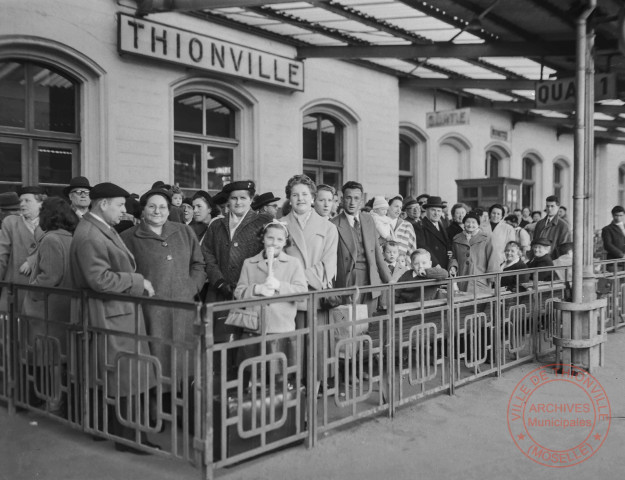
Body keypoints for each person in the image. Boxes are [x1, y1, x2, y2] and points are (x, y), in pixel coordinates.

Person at [69, 182, 157, 454]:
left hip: (114, 312)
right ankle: (129, 436)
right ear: (103, 204)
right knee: (125, 374)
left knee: (119, 374)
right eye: (119, 205)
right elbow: (99, 279)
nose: (124, 210)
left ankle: (116, 431)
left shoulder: (97, 228)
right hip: (111, 314)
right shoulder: (90, 235)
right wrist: (138, 281)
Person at [121, 187, 206, 407]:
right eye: (152, 206)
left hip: (184, 308)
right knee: (157, 358)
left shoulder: (184, 232)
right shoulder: (128, 238)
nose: (157, 211)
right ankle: (161, 408)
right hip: (151, 311)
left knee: (185, 360)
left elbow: (198, 264)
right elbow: (124, 273)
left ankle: (185, 408)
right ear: (143, 210)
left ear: (169, 211)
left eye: (162, 207)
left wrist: (191, 287)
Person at [282, 174, 338, 390]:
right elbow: (274, 263)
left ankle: (312, 404)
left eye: (305, 194)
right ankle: (293, 401)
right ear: (289, 198)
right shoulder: (280, 225)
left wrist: (296, 275)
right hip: (289, 298)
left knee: (315, 353)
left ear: (313, 198)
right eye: (295, 195)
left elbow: (328, 268)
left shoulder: (328, 228)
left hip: (315, 297)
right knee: (293, 353)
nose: (300, 199)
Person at [235, 220, 307, 387]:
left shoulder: (293, 263)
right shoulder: (249, 263)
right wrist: (257, 289)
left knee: (279, 378)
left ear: (285, 242)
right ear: (263, 239)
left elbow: (302, 294)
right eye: (270, 238)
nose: (274, 243)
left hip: (280, 330)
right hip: (255, 329)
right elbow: (239, 293)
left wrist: (279, 286)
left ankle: (279, 409)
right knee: (254, 378)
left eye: (280, 240)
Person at [203, 181, 267, 339]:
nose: (238, 202)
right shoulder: (217, 225)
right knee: (219, 341)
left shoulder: (263, 223)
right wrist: (218, 281)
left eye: (243, 198)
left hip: (250, 294)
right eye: (234, 198)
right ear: (228, 201)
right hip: (219, 293)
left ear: (251, 199)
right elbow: (206, 254)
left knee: (246, 343)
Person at [331, 181, 391, 314]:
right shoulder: (334, 224)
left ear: (361, 201)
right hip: (349, 281)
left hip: (371, 278)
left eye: (356, 198)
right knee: (350, 324)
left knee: (368, 324)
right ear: (342, 200)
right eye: (348, 197)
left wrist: (389, 280)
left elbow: (377, 253)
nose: (352, 202)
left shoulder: (368, 219)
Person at [0, 186, 45, 312]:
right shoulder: (11, 223)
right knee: (12, 328)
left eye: (27, 201)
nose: (22, 204)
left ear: (40, 203)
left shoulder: (50, 223)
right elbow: (2, 256)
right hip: (15, 288)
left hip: (40, 292)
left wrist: (32, 260)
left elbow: (57, 250)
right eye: (21, 201)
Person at [449, 212, 497, 295]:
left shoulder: (486, 238)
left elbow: (492, 259)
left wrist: (492, 278)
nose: (470, 225)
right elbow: (454, 256)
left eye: (473, 222)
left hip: (481, 279)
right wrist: (453, 266)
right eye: (468, 222)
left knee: (479, 304)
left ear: (478, 224)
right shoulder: (457, 238)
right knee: (463, 304)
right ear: (464, 224)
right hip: (462, 278)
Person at [415, 196, 452, 270]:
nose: (436, 213)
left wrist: (450, 251)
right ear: (427, 211)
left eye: (439, 211)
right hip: (432, 267)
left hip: (445, 265)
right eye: (433, 210)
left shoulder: (442, 225)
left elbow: (446, 243)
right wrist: (435, 264)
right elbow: (423, 247)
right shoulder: (420, 226)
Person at [532, 196, 571, 260]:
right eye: (547, 206)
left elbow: (564, 249)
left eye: (552, 206)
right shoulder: (539, 224)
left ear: (558, 207)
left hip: (553, 263)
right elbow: (534, 243)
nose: (549, 209)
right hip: (538, 261)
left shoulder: (563, 226)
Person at [378, 240, 407, 310]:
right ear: (383, 253)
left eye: (394, 252)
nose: (392, 254)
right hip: (382, 301)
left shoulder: (404, 269)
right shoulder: (379, 268)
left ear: (398, 254)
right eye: (388, 252)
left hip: (397, 302)